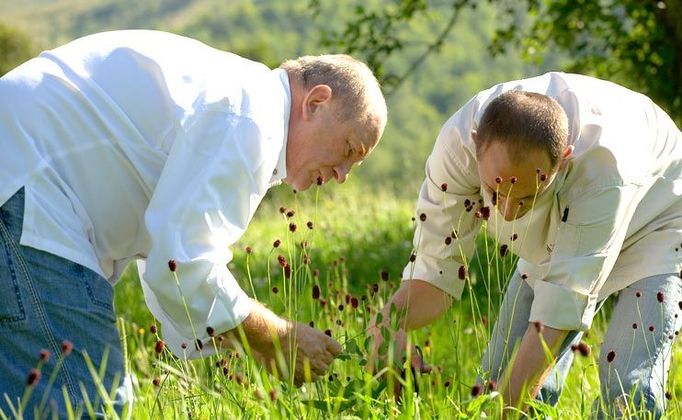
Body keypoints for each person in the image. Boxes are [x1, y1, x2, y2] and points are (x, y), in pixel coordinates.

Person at [0, 30, 387, 417]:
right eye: (349, 150)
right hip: (28, 191)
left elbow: (170, 260)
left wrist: (244, 338)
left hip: (23, 176)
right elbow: (184, 263)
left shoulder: (241, 97)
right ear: (317, 101)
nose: (342, 174)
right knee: (89, 403)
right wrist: (276, 336)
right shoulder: (250, 117)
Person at [369, 72, 681, 417]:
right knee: (497, 381)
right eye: (495, 190)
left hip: (660, 216)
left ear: (563, 159)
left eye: (525, 196)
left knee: (627, 385)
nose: (506, 211)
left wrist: (508, 410)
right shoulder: (455, 150)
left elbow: (559, 308)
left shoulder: (603, 169)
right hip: (563, 220)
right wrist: (387, 328)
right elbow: (433, 272)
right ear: (475, 144)